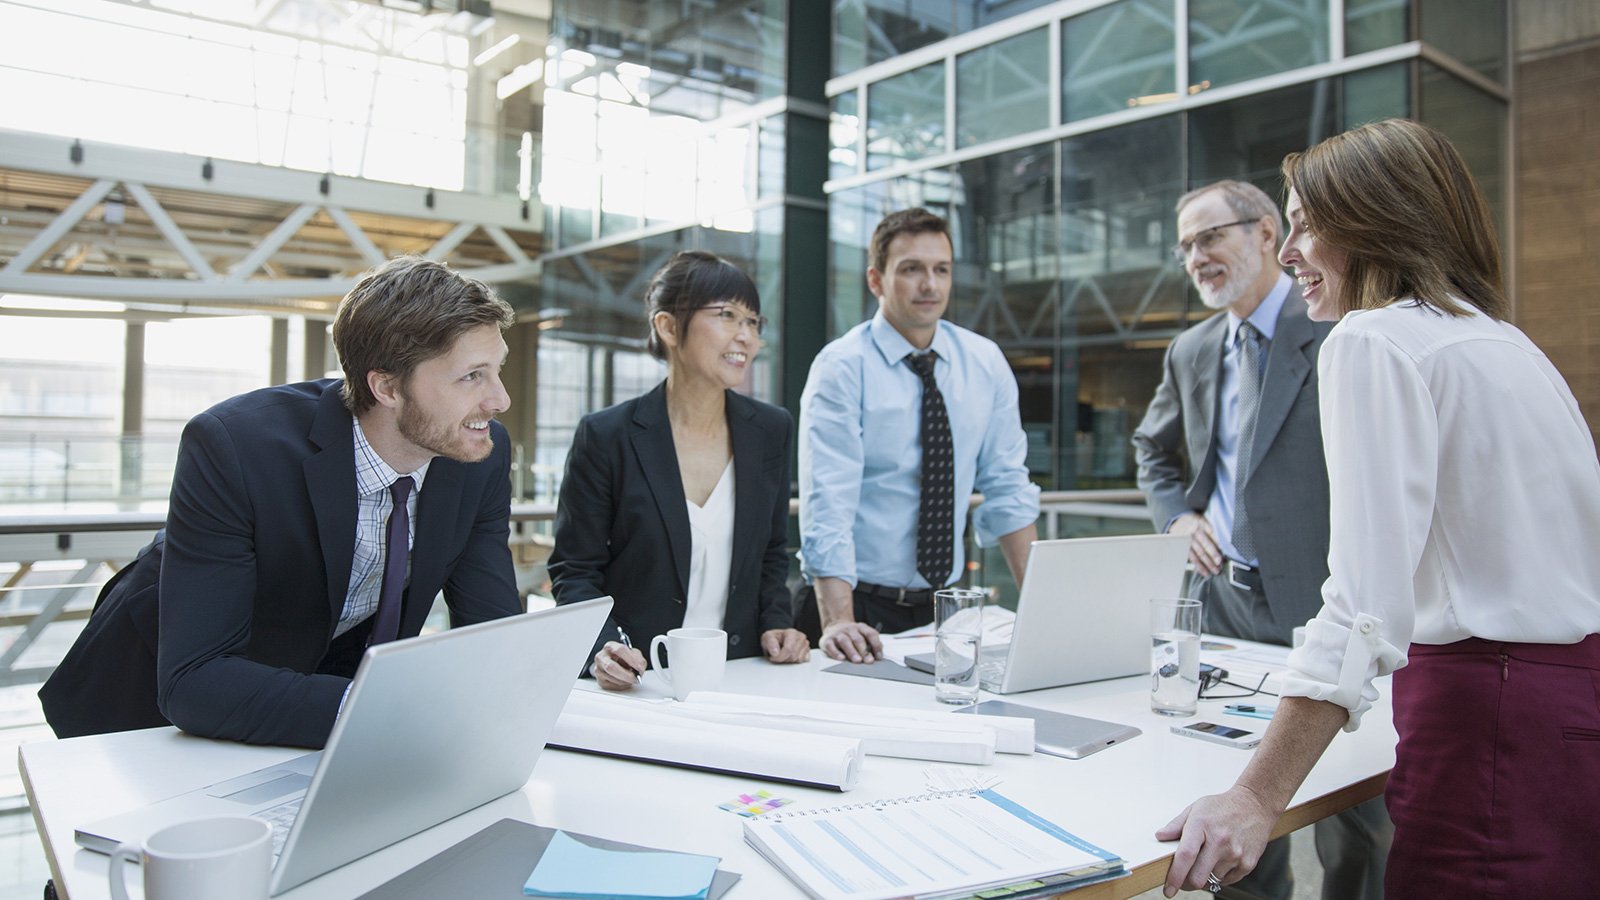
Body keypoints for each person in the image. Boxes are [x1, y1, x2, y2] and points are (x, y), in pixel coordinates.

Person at [1159, 118, 1600, 898]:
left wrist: (1255, 796)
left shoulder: (1371, 339)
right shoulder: (1504, 343)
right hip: (1569, 717)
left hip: (1483, 719)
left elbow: (1365, 607)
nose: (1287, 252)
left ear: (1374, 221)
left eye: (1304, 226)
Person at [39, 256, 524, 749]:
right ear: (387, 387)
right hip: (149, 708)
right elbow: (196, 681)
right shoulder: (235, 445)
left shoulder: (480, 454)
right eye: (472, 376)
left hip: (319, 690)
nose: (500, 399)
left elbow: (492, 630)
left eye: (497, 369)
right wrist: (388, 710)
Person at [1132, 181, 1390, 899]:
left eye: (1210, 236)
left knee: (1361, 821)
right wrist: (1177, 519)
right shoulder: (1191, 350)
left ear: (1267, 231)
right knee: (1231, 805)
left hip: (1324, 605)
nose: (1196, 257)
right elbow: (1152, 450)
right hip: (1223, 607)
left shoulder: (1343, 331)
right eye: (1185, 246)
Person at [548, 250, 808, 690]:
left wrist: (777, 622)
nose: (746, 336)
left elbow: (771, 553)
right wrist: (604, 648)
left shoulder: (770, 429)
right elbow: (575, 570)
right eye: (727, 315)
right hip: (637, 677)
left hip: (741, 675)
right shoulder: (606, 435)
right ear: (668, 326)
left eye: (753, 322)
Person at [797, 207, 1040, 663]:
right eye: (911, 270)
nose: (930, 285)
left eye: (941, 270)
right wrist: (839, 622)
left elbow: (1008, 486)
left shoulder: (984, 362)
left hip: (945, 611)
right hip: (855, 606)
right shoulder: (842, 367)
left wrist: (1045, 611)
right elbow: (828, 503)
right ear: (876, 280)